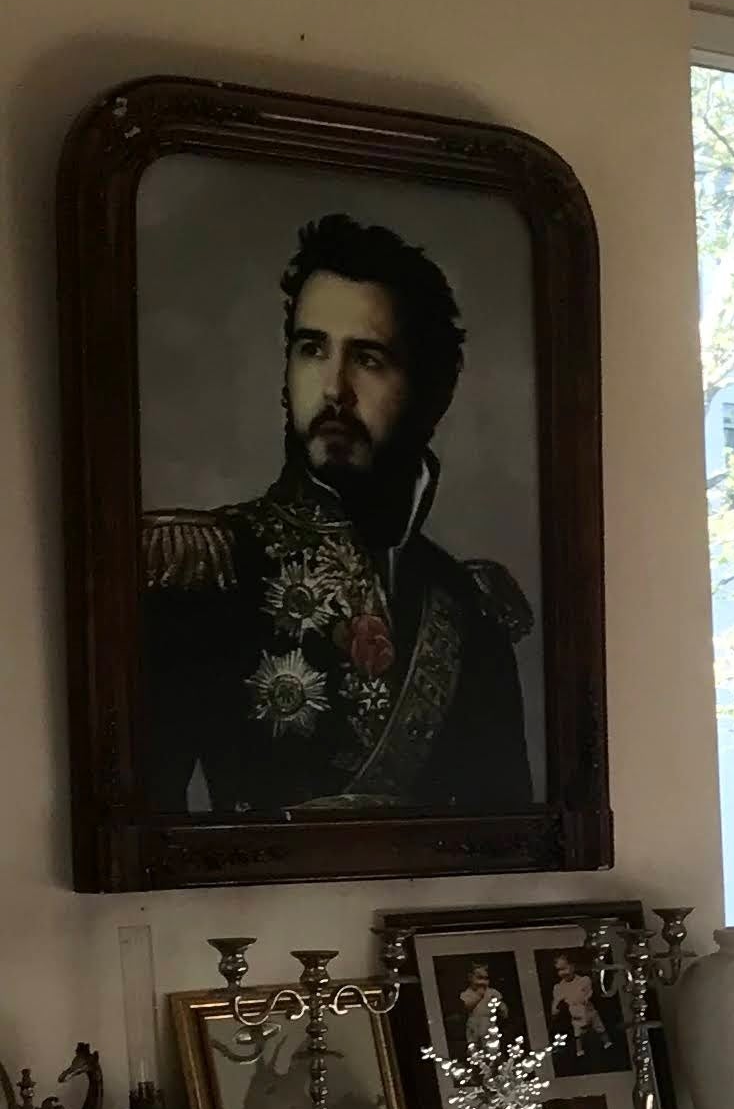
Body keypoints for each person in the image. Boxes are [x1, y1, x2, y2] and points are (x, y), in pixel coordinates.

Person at [140, 213, 535, 816]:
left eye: (368, 359)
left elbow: (507, 837)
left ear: (436, 388)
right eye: (312, 349)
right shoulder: (205, 570)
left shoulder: (469, 605)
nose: (333, 388)